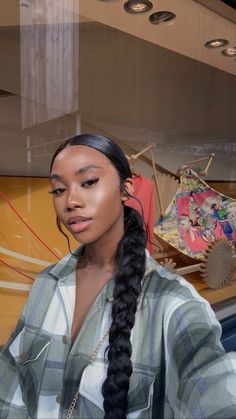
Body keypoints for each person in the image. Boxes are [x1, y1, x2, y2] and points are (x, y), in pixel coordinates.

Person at [0, 134, 236, 419]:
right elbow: (10, 387)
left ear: (126, 189)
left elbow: (215, 392)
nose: (70, 201)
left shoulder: (172, 303)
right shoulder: (45, 284)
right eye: (58, 189)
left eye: (88, 182)